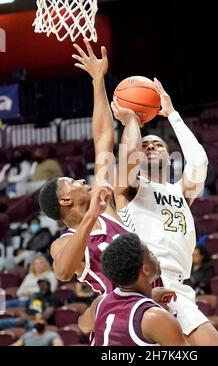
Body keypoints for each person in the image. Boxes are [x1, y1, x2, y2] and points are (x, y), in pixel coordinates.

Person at [112, 80, 218, 345]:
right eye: (145, 145)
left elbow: (199, 162)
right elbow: (128, 156)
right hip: (146, 282)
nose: (150, 147)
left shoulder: (181, 192)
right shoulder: (130, 189)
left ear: (170, 157)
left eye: (158, 145)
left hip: (178, 287)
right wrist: (130, 121)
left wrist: (172, 114)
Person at [38, 41, 129, 295]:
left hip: (152, 303)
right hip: (120, 318)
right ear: (65, 199)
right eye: (71, 182)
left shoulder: (105, 211)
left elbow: (102, 140)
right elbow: (64, 272)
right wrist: (90, 216)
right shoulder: (63, 242)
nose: (80, 181)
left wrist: (98, 81)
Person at [79, 233, 189, 346]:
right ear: (145, 269)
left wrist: (149, 298)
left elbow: (83, 325)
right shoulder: (155, 317)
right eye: (150, 254)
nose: (155, 255)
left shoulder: (100, 302)